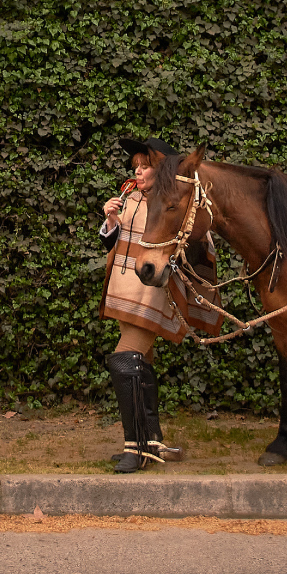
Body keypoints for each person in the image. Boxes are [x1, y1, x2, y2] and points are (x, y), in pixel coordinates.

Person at [98, 137, 222, 473]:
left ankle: (135, 447)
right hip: (125, 291)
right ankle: (150, 441)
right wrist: (110, 222)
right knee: (140, 361)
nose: (138, 172)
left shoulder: (173, 201)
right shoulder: (131, 199)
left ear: (163, 167)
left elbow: (195, 242)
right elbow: (115, 240)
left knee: (125, 358)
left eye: (145, 166)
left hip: (153, 292)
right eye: (135, 166)